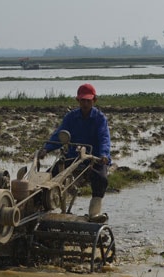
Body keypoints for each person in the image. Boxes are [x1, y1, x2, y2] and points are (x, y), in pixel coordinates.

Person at [38, 83, 112, 223]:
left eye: (88, 101)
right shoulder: (71, 117)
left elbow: (104, 138)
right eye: (82, 100)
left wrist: (104, 155)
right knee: (49, 177)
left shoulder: (99, 118)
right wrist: (46, 149)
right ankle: (42, 209)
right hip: (73, 157)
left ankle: (94, 213)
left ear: (94, 100)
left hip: (94, 158)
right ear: (78, 100)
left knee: (101, 179)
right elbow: (59, 135)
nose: (85, 103)